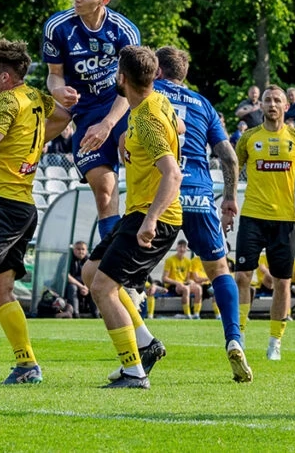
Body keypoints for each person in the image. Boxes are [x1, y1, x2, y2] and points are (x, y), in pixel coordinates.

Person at [0, 36, 69, 384]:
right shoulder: (34, 96)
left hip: (3, 205)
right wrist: (30, 142)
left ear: (5, 77)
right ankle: (26, 365)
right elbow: (63, 116)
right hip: (24, 206)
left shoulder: (6, 100)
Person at [83, 45, 181, 390]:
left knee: (103, 288)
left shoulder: (148, 118)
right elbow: (178, 127)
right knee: (90, 271)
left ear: (121, 78)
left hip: (153, 216)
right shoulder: (155, 103)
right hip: (137, 211)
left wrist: (151, 220)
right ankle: (146, 344)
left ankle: (133, 371)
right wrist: (128, 135)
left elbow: (172, 174)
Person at [154, 46, 251, 380]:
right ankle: (234, 339)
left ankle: (135, 347)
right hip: (198, 193)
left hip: (160, 193)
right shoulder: (203, 104)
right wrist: (229, 199)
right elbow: (230, 157)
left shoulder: (148, 92)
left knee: (124, 271)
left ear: (157, 70)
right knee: (219, 269)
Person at [43, 0, 140, 243]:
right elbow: (54, 75)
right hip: (85, 113)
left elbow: (132, 88)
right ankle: (112, 253)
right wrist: (58, 91)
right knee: (105, 191)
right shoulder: (57, 27)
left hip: (119, 104)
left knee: (131, 151)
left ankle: (141, 237)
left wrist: (108, 124)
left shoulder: (124, 32)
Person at [233, 85, 295, 362]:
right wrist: (229, 201)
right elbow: (233, 169)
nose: (272, 104)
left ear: (286, 106)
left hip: (284, 220)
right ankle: (239, 335)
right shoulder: (248, 137)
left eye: (277, 100)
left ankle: (275, 342)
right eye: (267, 100)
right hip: (252, 215)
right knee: (242, 276)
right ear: (261, 105)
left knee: (282, 282)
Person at [161, 239, 202, 319]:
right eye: (180, 247)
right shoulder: (169, 260)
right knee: (186, 288)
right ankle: (187, 315)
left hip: (183, 285)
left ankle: (196, 314)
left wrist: (191, 281)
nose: (182, 249)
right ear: (177, 248)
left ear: (186, 249)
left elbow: (187, 279)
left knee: (198, 288)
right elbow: (164, 278)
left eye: (184, 247)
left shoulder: (188, 262)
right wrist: (177, 283)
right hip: (172, 285)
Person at [65, 241, 97, 319]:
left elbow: (93, 275)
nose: (81, 251)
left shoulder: (90, 260)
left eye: (83, 249)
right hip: (72, 285)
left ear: (86, 251)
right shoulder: (67, 259)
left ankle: (96, 314)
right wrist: (81, 286)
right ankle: (75, 314)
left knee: (95, 288)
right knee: (72, 288)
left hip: (86, 285)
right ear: (74, 250)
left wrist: (86, 286)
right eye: (78, 249)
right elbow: (66, 276)